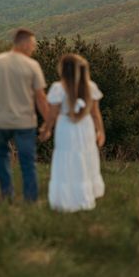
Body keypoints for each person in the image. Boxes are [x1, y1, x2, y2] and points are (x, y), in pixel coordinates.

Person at [0, 28, 48, 202]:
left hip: (1, 121)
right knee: (27, 161)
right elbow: (41, 98)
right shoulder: (32, 66)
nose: (33, 48)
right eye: (32, 44)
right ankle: (30, 199)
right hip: (24, 122)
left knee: (1, 157)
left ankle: (7, 195)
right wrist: (48, 123)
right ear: (23, 44)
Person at [40, 52, 105, 212]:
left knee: (66, 159)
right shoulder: (91, 87)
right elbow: (96, 114)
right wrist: (100, 131)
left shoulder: (57, 88)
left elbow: (52, 114)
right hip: (85, 127)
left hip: (66, 129)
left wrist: (46, 129)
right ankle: (85, 195)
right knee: (84, 157)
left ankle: (67, 198)